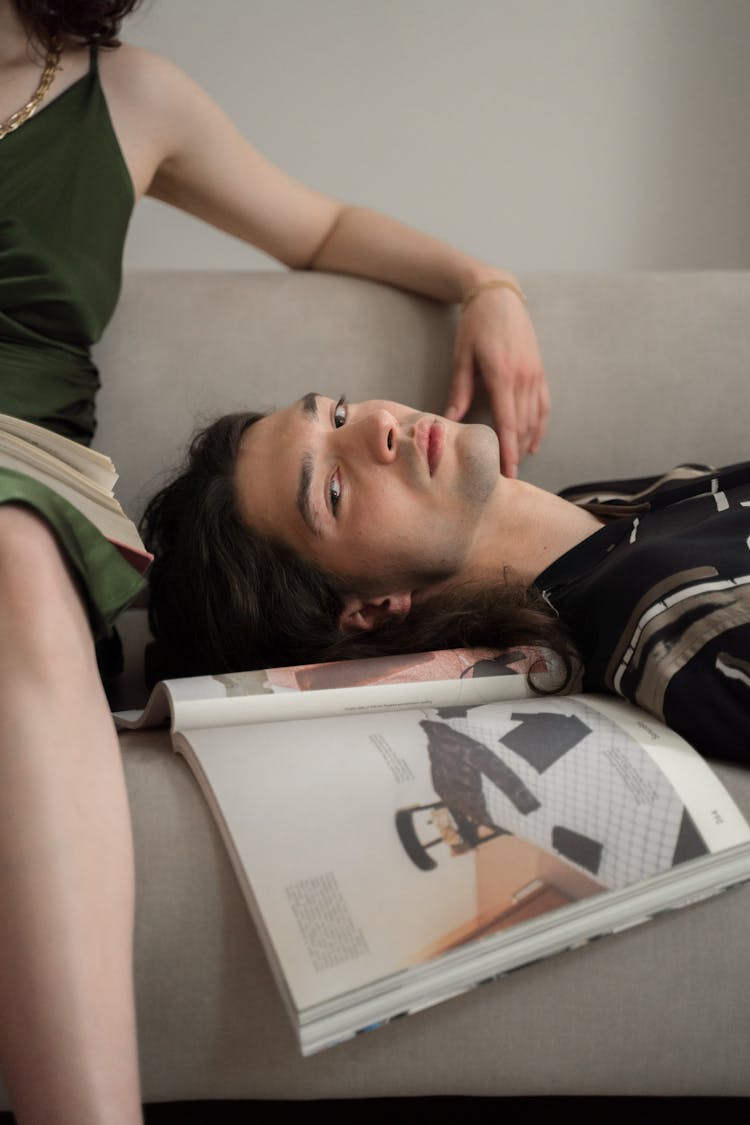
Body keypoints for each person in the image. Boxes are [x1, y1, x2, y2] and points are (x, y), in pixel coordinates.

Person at [0, 2, 550, 1122]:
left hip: (15, 462)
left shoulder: (132, 96)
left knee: (5, 559)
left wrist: (486, 281)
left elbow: (321, 227)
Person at [143, 396, 750, 766]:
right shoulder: (667, 621)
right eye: (333, 490)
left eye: (339, 413)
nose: (379, 423)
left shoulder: (599, 511)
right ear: (372, 610)